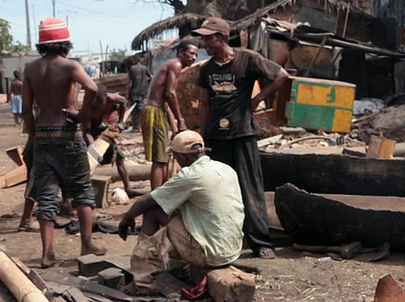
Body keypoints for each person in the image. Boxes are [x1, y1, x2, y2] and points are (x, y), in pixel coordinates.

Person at [193, 17, 289, 259]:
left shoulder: (248, 59)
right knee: (219, 190)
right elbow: (205, 104)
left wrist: (257, 100)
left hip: (243, 133)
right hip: (217, 137)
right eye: (202, 37)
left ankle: (260, 243)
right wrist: (203, 139)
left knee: (250, 188)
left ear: (222, 38)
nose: (204, 42)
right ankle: (226, 239)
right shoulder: (207, 69)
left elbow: (282, 76)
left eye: (208, 37)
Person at [22, 17, 106, 268]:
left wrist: (35, 134)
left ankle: (47, 253)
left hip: (43, 134)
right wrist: (82, 115)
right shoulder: (69, 66)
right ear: (65, 43)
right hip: (67, 134)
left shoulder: (30, 69)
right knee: (82, 190)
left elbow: (27, 109)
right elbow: (94, 88)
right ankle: (87, 244)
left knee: (46, 196)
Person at [118, 130, 244, 291]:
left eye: (175, 155)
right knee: (178, 213)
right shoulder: (225, 168)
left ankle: (144, 282)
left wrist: (127, 218)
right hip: (232, 248)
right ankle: (178, 269)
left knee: (152, 212)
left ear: (183, 157)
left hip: (211, 254)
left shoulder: (189, 176)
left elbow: (147, 200)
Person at [141, 41, 198, 190]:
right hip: (154, 111)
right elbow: (170, 94)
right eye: (191, 53)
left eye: (196, 55)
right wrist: (181, 120)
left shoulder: (171, 65)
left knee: (164, 156)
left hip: (156, 110)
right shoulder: (176, 65)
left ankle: (164, 192)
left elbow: (166, 101)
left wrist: (174, 127)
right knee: (160, 159)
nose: (194, 58)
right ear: (180, 52)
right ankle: (157, 197)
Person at [90, 84, 144, 198]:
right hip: (92, 130)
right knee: (90, 161)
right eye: (97, 102)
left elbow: (124, 102)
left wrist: (121, 121)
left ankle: (128, 188)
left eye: (101, 101)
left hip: (105, 129)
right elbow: (85, 130)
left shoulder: (112, 99)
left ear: (106, 97)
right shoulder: (89, 106)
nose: (99, 104)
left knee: (119, 158)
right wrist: (92, 146)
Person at [127, 53, 152, 131]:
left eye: (133, 60)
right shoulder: (145, 68)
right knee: (141, 108)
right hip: (144, 90)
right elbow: (151, 77)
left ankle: (136, 127)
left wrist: (127, 91)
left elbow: (130, 82)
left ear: (135, 60)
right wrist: (147, 83)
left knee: (134, 109)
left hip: (135, 91)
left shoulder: (132, 68)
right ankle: (142, 126)